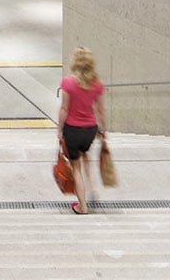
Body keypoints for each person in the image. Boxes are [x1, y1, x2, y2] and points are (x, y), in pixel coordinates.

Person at [57, 46, 107, 215]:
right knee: (85, 155)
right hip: (90, 130)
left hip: (72, 129)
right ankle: (92, 186)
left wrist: (59, 129)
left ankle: (82, 206)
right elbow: (101, 110)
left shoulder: (68, 82)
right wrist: (104, 130)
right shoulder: (97, 84)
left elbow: (64, 108)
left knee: (75, 167)